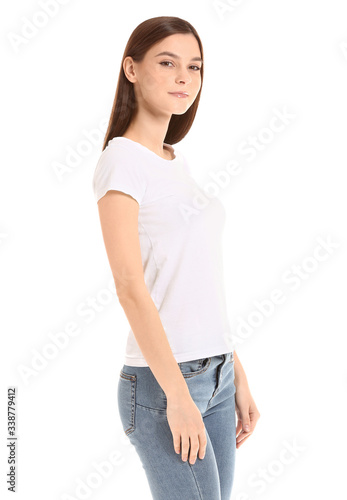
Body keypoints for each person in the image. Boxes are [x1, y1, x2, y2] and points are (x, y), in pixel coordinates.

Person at [93, 15, 260, 500]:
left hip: (217, 373)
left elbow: (197, 284)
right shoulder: (121, 160)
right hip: (164, 383)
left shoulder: (173, 160)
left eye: (195, 66)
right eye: (167, 63)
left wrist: (236, 372)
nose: (185, 77)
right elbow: (129, 287)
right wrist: (179, 397)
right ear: (131, 68)